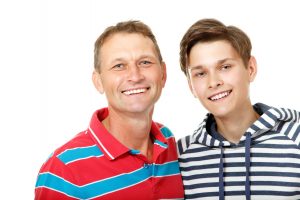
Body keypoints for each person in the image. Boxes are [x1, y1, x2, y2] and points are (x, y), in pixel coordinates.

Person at [35, 20, 184, 200]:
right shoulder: (63, 169)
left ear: (163, 74)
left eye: (145, 62)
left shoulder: (168, 143)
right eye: (119, 66)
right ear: (98, 81)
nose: (135, 76)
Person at [177, 18, 300, 200]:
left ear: (250, 68)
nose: (214, 82)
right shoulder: (180, 156)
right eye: (201, 73)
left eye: (225, 67)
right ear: (191, 86)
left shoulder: (296, 138)